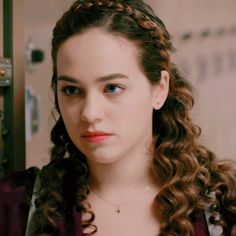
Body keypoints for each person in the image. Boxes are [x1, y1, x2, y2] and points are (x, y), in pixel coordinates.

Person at [0, 0, 236, 235]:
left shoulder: (223, 207)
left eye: (112, 88)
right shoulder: (16, 208)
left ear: (160, 89)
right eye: (72, 90)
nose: (89, 113)